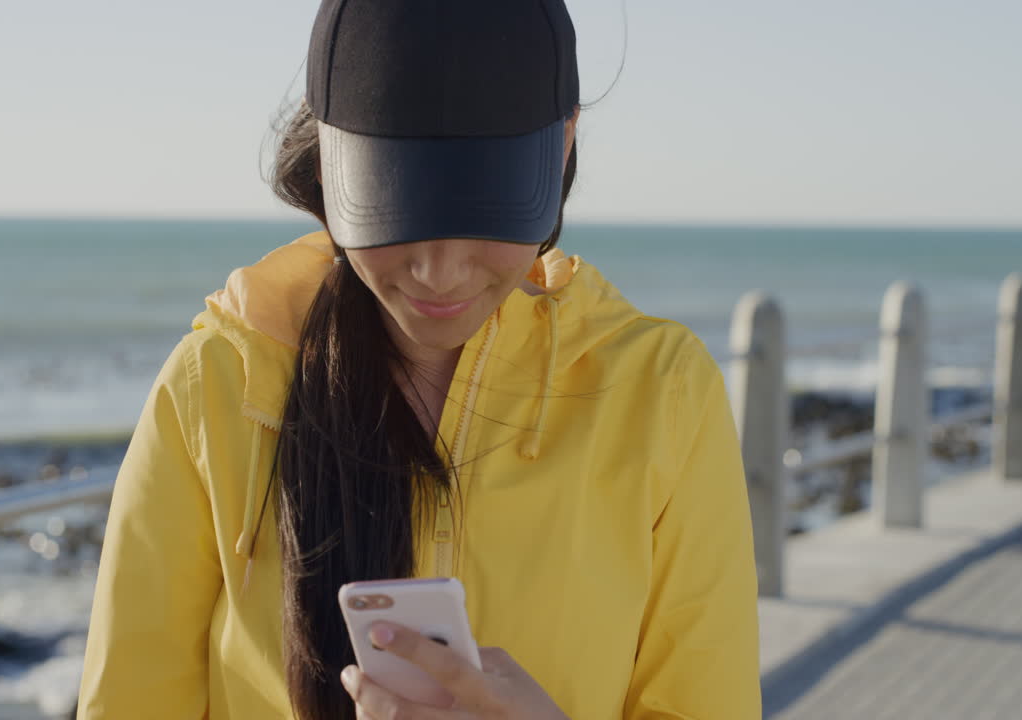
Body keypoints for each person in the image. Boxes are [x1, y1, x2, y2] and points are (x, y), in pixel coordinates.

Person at [77, 0, 761, 718]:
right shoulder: (218, 384)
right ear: (327, 155)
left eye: (487, 211)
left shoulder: (661, 392)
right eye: (395, 204)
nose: (440, 274)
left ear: (564, 144)